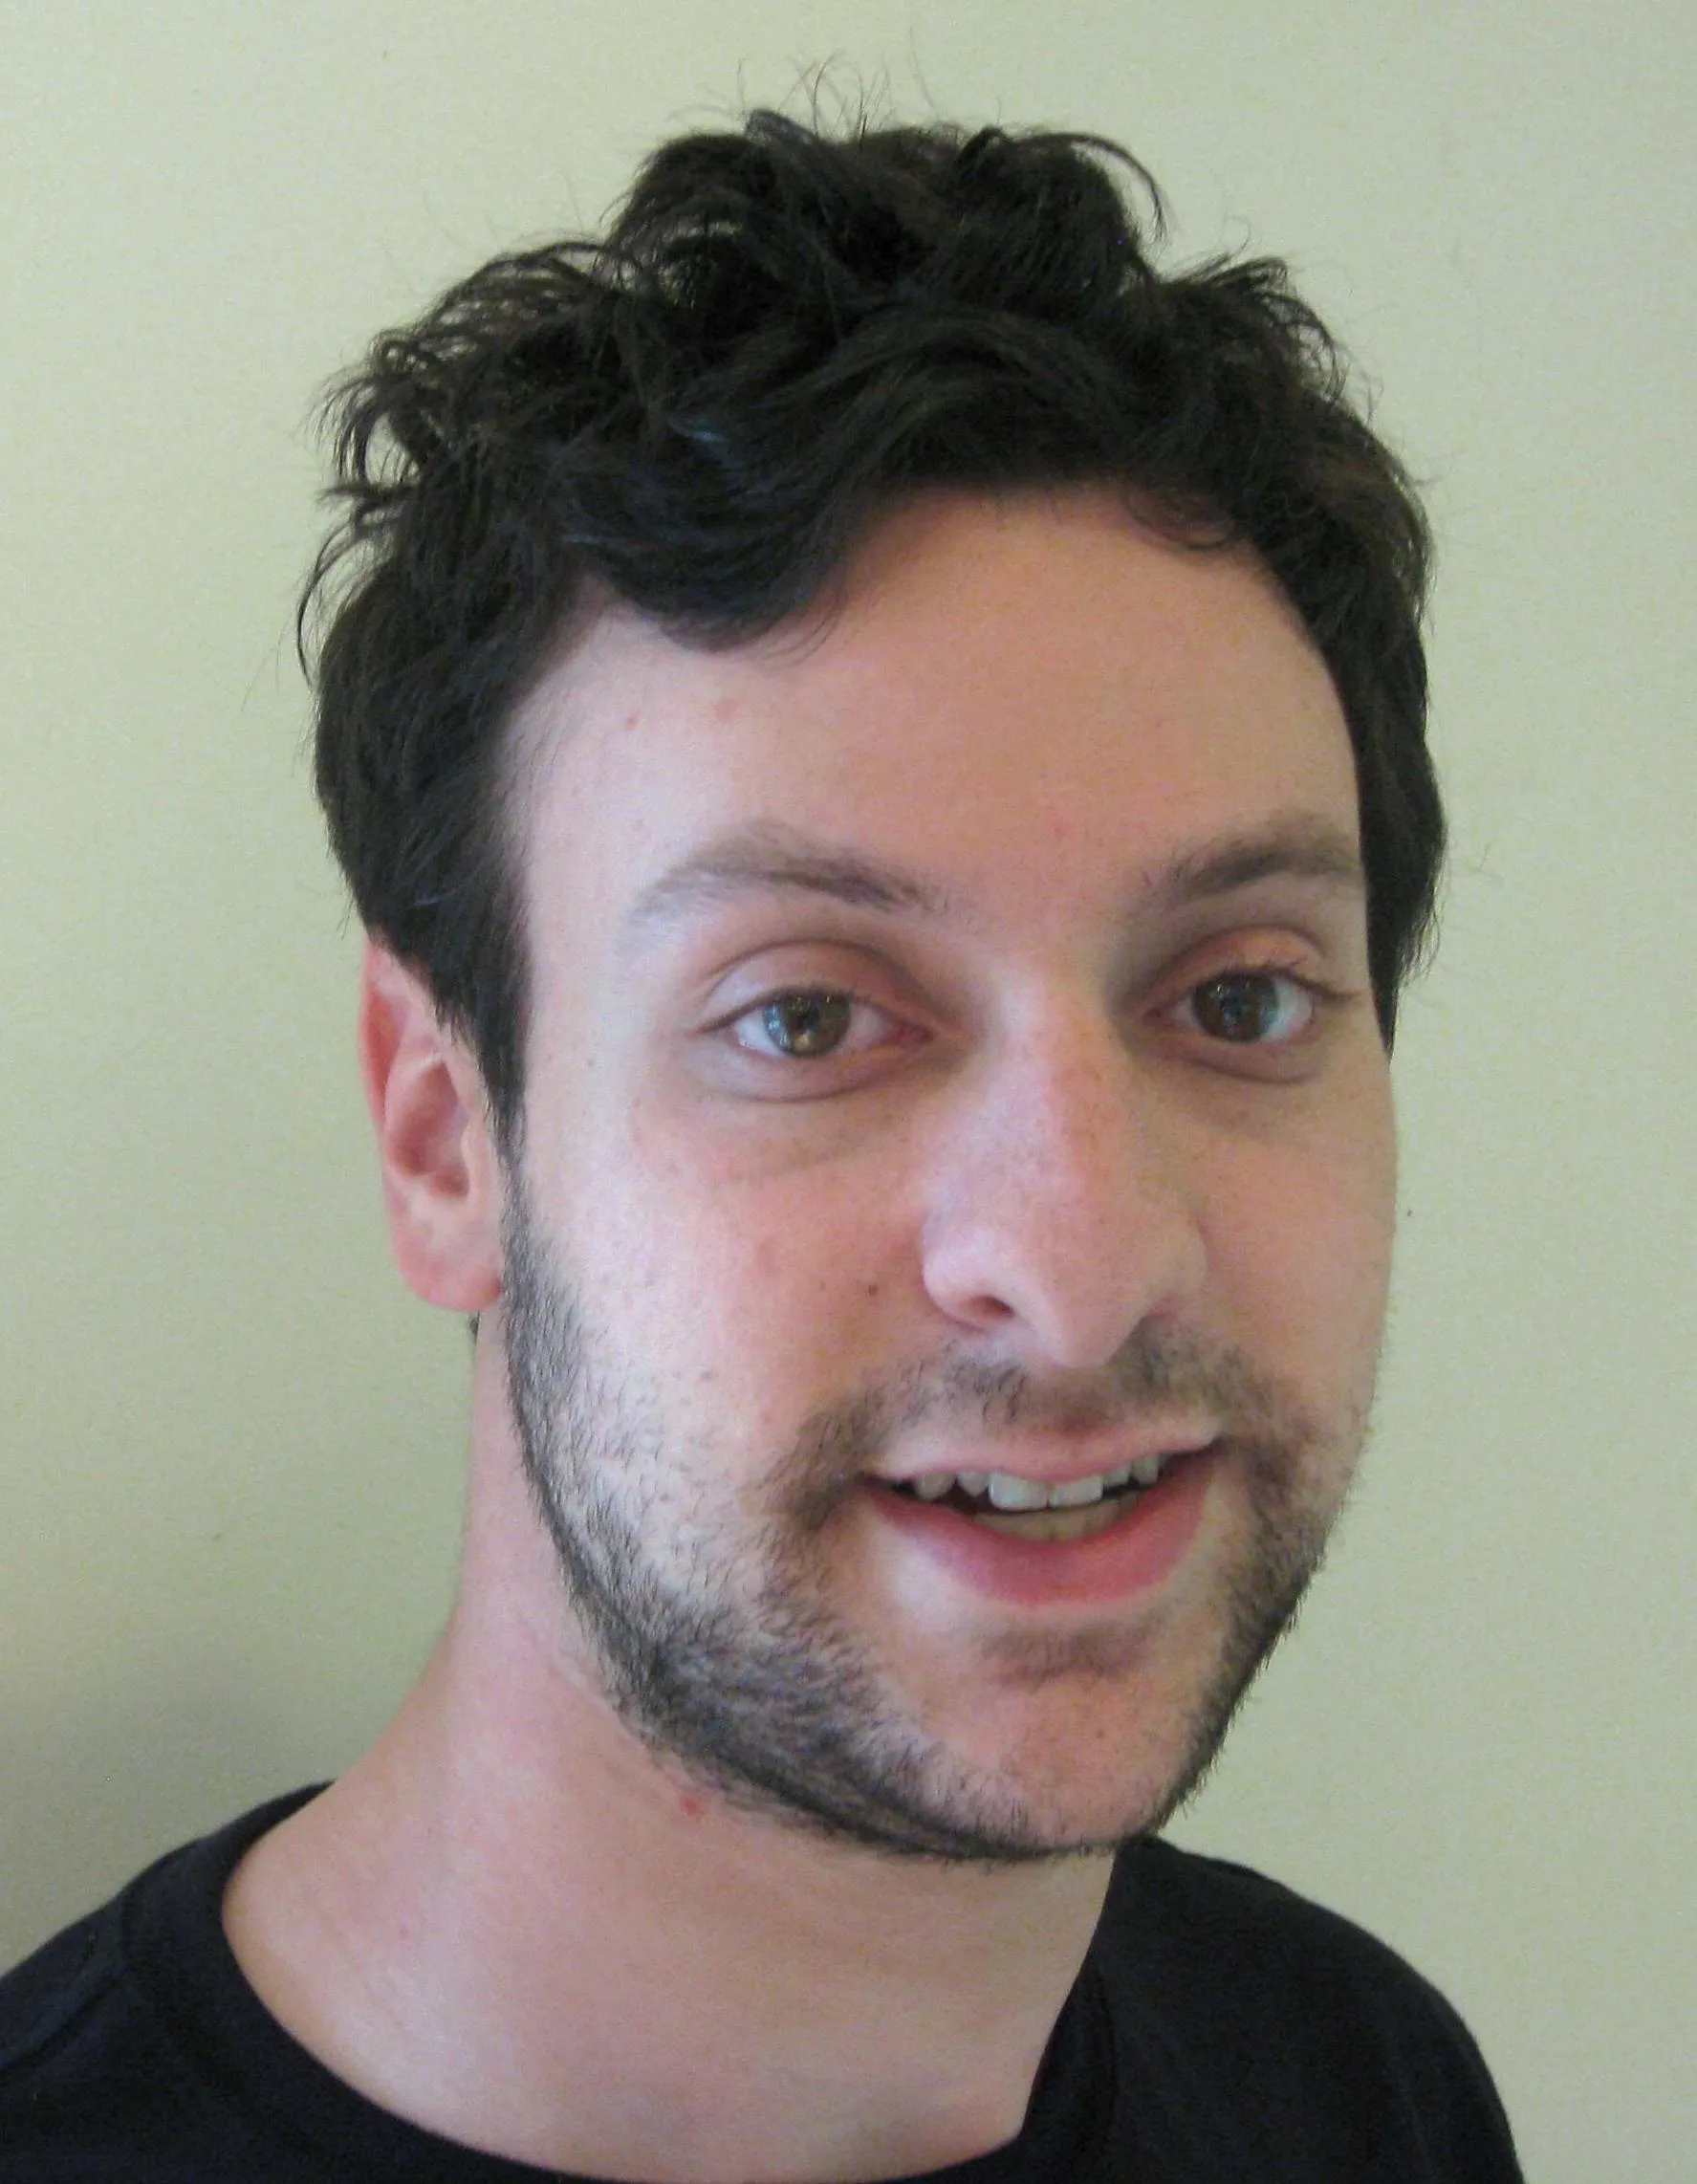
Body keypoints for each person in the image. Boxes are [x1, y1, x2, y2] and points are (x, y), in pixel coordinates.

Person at [0, 109, 1522, 2181]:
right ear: (446, 1138)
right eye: (804, 1017)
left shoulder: (1354, 2081)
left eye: (1238, 998)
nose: (1082, 1264)